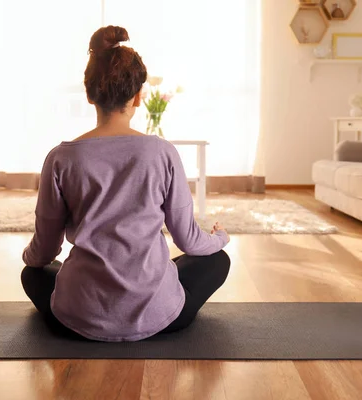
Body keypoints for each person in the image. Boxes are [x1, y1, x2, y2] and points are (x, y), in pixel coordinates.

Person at [20, 25, 230, 342]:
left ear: (90, 94)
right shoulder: (163, 152)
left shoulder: (60, 158)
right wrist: (220, 238)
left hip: (78, 317)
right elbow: (189, 241)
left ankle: (84, 305)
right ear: (138, 97)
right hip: (160, 317)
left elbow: (45, 250)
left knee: (31, 274)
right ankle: (153, 296)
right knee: (217, 260)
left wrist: (30, 258)